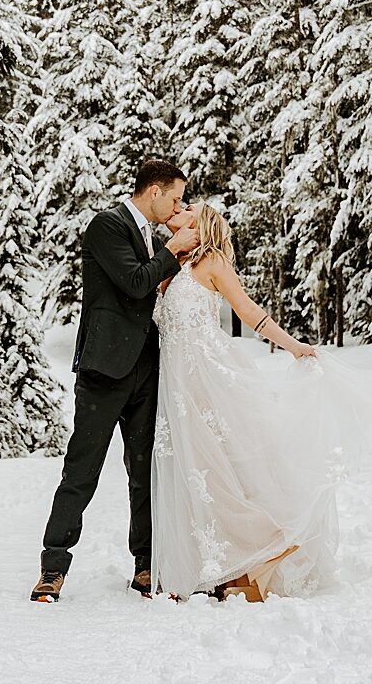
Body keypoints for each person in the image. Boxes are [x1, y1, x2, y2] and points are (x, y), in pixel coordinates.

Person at [151, 201, 354, 602]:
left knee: (220, 470)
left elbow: (249, 311)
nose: (179, 207)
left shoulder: (213, 263)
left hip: (207, 378)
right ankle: (228, 567)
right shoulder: (171, 266)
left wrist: (294, 347)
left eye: (188, 205)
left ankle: (273, 541)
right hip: (176, 385)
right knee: (200, 474)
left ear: (202, 222)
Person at [30, 159, 199, 602]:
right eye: (176, 197)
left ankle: (146, 566)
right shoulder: (106, 225)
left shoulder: (149, 236)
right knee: (82, 469)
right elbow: (136, 283)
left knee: (145, 472)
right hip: (105, 370)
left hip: (147, 370)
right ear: (155, 191)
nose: (178, 206)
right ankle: (53, 565)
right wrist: (174, 248)